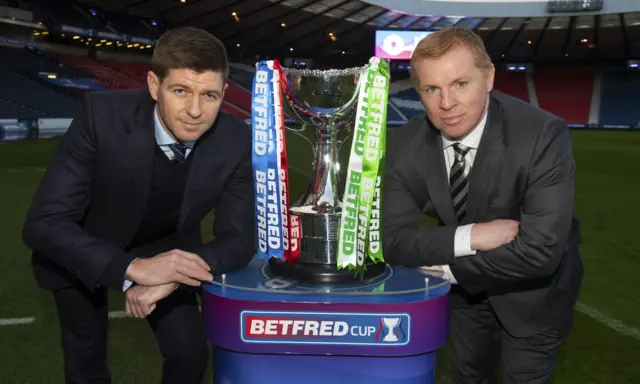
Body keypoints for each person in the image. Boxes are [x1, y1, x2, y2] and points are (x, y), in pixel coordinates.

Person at [22, 26, 255, 384]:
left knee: (189, 354)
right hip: (85, 242)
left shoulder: (236, 139)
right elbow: (45, 222)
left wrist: (172, 276)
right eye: (181, 91)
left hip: (167, 246)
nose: (195, 110)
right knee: (87, 360)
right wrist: (132, 269)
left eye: (209, 95)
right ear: (153, 85)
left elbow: (239, 239)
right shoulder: (100, 115)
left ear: (225, 92)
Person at [382, 28, 583, 383]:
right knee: (468, 375)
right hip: (467, 299)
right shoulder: (405, 143)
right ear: (419, 92)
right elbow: (391, 240)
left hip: (533, 296)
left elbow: (540, 252)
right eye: (431, 89)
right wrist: (472, 236)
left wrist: (447, 270)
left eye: (460, 83)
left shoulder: (541, 135)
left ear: (488, 77)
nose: (447, 103)